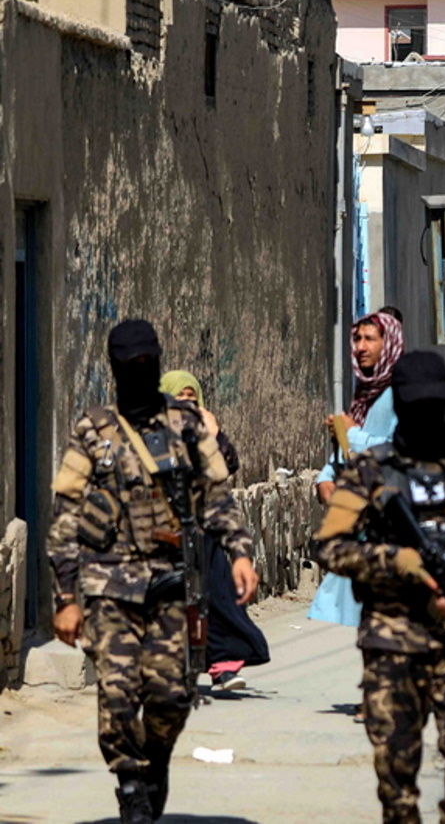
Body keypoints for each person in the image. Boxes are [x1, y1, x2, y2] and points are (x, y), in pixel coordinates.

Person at [48, 320, 259, 824]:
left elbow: (217, 496)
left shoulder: (186, 426)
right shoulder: (92, 429)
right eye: (131, 367)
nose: (140, 374)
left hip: (170, 584)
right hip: (108, 586)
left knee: (170, 696)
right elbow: (65, 512)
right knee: (118, 696)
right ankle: (130, 787)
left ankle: (156, 760)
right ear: (116, 369)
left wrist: (240, 551)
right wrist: (66, 597)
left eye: (148, 365)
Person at [316, 350, 445, 824]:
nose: (426, 415)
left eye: (434, 406)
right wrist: (395, 561)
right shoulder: (369, 471)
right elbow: (329, 546)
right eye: (417, 405)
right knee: (397, 777)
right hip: (392, 642)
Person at [159, 371, 270, 694]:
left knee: (218, 596)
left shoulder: (207, 433)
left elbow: (227, 466)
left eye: (192, 399)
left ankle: (222, 666)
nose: (187, 406)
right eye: (179, 399)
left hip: (204, 532)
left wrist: (214, 434)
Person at [315, 310, 405, 505]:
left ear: (389, 343)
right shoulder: (365, 393)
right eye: (357, 339)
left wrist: (351, 433)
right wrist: (326, 477)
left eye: (370, 339)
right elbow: (349, 450)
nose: (361, 347)